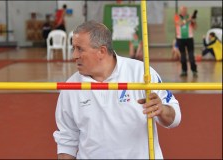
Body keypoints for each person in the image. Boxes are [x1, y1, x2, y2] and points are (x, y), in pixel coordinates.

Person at [53, 21, 181, 159]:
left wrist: (161, 109)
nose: (74, 55)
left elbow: (175, 118)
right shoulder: (70, 87)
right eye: (73, 48)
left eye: (80, 49)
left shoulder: (141, 73)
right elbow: (67, 141)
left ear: (101, 51)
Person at [174, 6, 198, 77]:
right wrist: (188, 19)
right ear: (180, 10)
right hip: (180, 39)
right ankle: (184, 70)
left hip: (189, 38)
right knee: (183, 56)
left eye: (185, 10)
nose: (184, 11)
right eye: (183, 10)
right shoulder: (177, 16)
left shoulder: (189, 17)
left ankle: (194, 70)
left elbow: (195, 27)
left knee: (191, 56)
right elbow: (180, 23)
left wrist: (193, 21)